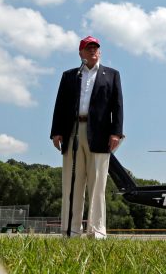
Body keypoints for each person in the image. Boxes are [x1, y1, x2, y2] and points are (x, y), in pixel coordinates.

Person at [50, 35, 124, 239]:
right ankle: (71, 231)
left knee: (98, 184)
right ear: (80, 52)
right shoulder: (70, 76)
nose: (93, 51)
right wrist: (56, 131)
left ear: (99, 51)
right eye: (88, 47)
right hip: (72, 131)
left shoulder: (112, 75)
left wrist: (116, 133)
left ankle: (97, 230)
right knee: (72, 183)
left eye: (96, 47)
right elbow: (60, 105)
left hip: (100, 134)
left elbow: (117, 106)